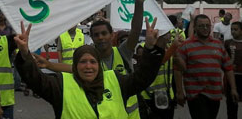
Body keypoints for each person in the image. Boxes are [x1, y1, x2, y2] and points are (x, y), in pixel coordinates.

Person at [15, 17, 166, 118]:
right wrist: (24, 54)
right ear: (75, 66)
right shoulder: (61, 86)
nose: (88, 66)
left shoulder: (116, 81)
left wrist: (150, 48)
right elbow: (35, 80)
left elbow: (143, 77)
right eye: (82, 62)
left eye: (93, 62)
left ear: (98, 65)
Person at [33, 0, 147, 118]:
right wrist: (48, 65)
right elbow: (71, 68)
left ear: (112, 35)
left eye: (104, 33)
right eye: (96, 35)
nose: (101, 37)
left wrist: (139, 4)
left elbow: (135, 30)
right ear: (92, 37)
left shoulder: (123, 52)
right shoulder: (91, 59)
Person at [175, 14, 239, 119]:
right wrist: (179, 92)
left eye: (207, 26)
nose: (205, 28)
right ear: (194, 27)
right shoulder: (186, 45)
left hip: (215, 93)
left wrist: (233, 89)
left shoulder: (218, 45)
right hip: (196, 94)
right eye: (201, 26)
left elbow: (228, 68)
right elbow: (177, 70)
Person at [224, 21, 242, 119]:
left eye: (236, 29)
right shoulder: (227, 43)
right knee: (231, 104)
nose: (233, 31)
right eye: (231, 29)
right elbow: (223, 59)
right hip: (232, 77)